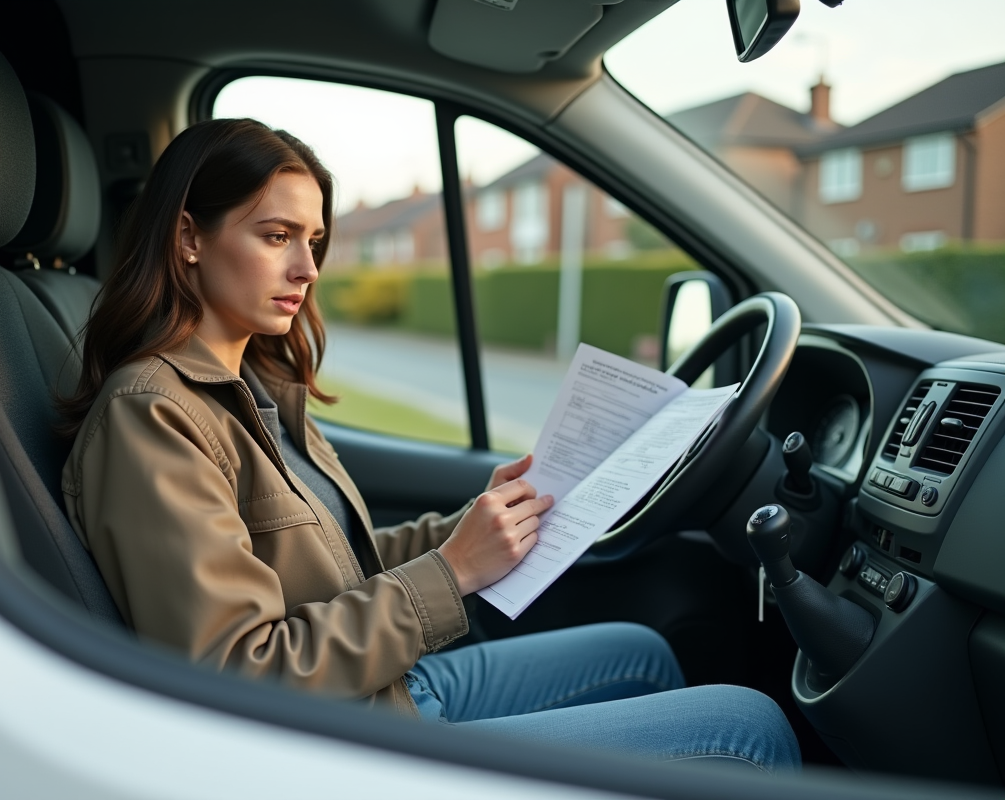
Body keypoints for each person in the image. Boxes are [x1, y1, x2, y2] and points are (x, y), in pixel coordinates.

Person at [59, 118, 800, 773]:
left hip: (386, 689)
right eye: (276, 236)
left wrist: (483, 522)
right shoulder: (152, 417)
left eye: (313, 242)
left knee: (644, 652)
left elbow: (334, 564)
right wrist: (451, 572)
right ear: (189, 237)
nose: (307, 270)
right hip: (342, 747)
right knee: (750, 729)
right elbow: (235, 670)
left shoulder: (255, 384)